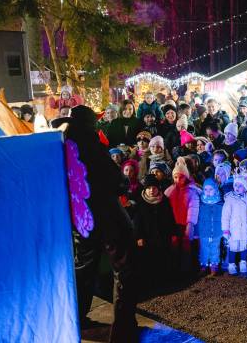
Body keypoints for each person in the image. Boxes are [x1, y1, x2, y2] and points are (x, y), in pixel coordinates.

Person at [63, 106, 139, 341]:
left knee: (83, 268)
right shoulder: (92, 145)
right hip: (108, 216)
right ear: (90, 124)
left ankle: (77, 318)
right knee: (124, 270)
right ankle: (123, 330)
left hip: (81, 218)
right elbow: (115, 180)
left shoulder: (64, 145)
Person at [133, 174, 176, 294]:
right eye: (149, 188)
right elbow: (137, 221)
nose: (152, 190)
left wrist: (172, 233)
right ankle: (150, 284)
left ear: (158, 188)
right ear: (145, 189)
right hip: (147, 237)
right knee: (148, 260)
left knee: (163, 258)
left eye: (154, 187)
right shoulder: (140, 202)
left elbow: (170, 218)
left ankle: (163, 282)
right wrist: (139, 236)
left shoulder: (165, 201)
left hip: (163, 236)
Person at [164, 158, 201, 275]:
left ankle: (186, 269)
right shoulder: (170, 191)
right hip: (174, 223)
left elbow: (193, 209)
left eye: (181, 177)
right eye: (175, 177)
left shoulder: (191, 191)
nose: (178, 180)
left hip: (186, 224)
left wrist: (190, 224)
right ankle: (174, 269)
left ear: (186, 177)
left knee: (186, 246)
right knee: (174, 245)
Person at [222, 171, 247, 275]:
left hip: (244, 227)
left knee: (244, 246)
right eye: (236, 185)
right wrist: (225, 229)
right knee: (233, 247)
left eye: (240, 185)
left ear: (245, 187)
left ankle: (243, 262)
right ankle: (231, 264)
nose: (237, 187)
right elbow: (225, 216)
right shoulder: (230, 199)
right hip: (233, 229)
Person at [197, 178, 224, 276]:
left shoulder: (220, 203)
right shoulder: (201, 203)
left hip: (216, 231)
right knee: (204, 248)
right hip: (204, 230)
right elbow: (198, 218)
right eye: (206, 189)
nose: (208, 192)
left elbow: (223, 217)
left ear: (216, 189)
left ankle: (214, 265)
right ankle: (203, 265)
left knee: (215, 248)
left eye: (211, 189)